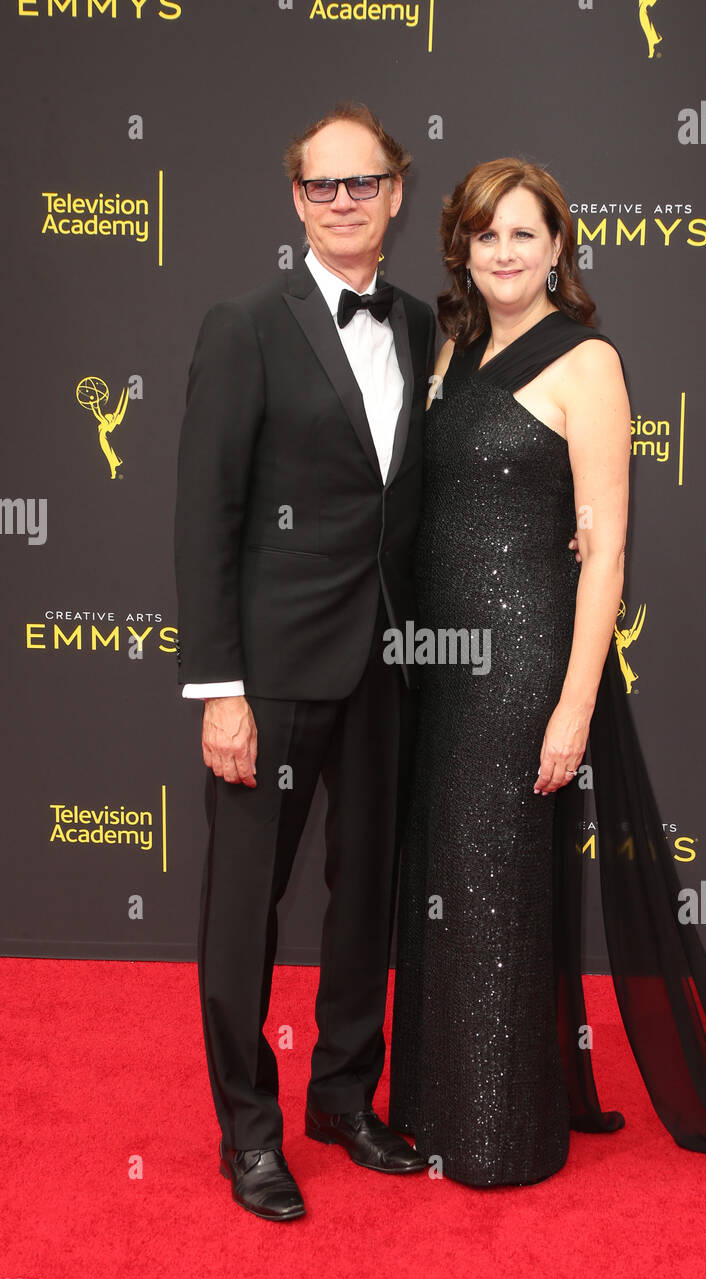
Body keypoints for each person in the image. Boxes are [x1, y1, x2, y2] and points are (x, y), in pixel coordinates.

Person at [388, 157, 706, 1228]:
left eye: (525, 232)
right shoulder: (450, 345)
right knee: (447, 885)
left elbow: (603, 554)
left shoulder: (588, 361)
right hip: (436, 666)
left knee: (498, 886)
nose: (504, 251)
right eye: (484, 234)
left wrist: (570, 705)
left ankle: (501, 1137)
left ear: (559, 246)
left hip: (520, 667)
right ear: (459, 248)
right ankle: (437, 1105)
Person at [174, 104, 435, 1221]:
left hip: (388, 661)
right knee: (245, 910)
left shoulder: (423, 324)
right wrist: (219, 686)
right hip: (270, 674)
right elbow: (204, 515)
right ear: (296, 199)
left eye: (362, 182)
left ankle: (343, 1097)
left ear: (394, 194)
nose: (342, 200)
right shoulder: (244, 325)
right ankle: (250, 1135)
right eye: (322, 185)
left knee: (365, 896)